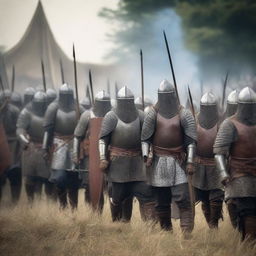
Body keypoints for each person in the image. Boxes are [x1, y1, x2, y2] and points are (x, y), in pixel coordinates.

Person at [141, 79, 196, 235]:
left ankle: (186, 233)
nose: (164, 99)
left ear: (172, 95)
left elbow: (191, 141)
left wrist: (190, 161)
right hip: (158, 161)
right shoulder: (153, 114)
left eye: (167, 96)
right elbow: (145, 138)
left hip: (178, 161)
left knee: (183, 198)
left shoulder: (183, 114)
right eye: (162, 96)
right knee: (161, 201)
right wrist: (146, 156)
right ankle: (166, 232)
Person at [99, 86, 155, 222]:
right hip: (118, 163)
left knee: (146, 194)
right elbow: (103, 139)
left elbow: (148, 137)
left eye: (128, 101)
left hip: (138, 162)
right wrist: (102, 158)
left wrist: (149, 154)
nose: (125, 104)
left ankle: (151, 227)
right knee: (117, 197)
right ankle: (118, 225)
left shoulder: (141, 115)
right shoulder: (111, 116)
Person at [214, 86, 256, 240]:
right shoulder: (229, 124)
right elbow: (219, 153)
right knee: (244, 208)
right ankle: (247, 244)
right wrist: (224, 173)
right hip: (238, 174)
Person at [43, 83, 83, 209]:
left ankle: (74, 207)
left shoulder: (78, 108)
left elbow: (86, 127)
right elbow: (47, 130)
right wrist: (45, 148)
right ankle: (62, 205)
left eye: (68, 96)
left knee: (74, 177)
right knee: (59, 177)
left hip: (74, 143)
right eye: (64, 95)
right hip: (58, 144)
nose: (66, 98)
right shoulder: (53, 107)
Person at [73, 90, 111, 211]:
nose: (104, 106)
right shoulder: (87, 116)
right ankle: (92, 211)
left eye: (105, 103)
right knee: (90, 184)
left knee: (109, 185)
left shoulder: (113, 115)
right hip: (90, 157)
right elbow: (78, 136)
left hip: (109, 156)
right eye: (102, 103)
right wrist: (75, 154)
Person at [17, 91, 56, 203]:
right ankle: (31, 202)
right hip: (31, 147)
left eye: (42, 103)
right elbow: (20, 129)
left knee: (49, 178)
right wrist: (25, 141)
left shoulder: (51, 111)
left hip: (48, 147)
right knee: (30, 177)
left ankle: (50, 202)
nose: (40, 105)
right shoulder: (26, 112)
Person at [192, 92, 224, 228]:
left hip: (216, 165)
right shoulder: (194, 120)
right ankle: (211, 227)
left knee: (216, 198)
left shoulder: (222, 122)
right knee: (204, 198)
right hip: (199, 165)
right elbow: (190, 142)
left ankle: (214, 224)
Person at [0, 90, 22, 204]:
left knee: (14, 171)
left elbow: (19, 127)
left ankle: (15, 201)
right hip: (1, 142)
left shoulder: (15, 111)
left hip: (13, 143)